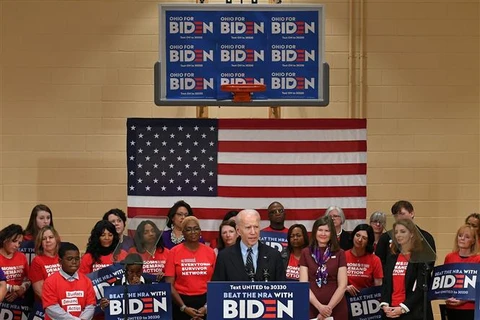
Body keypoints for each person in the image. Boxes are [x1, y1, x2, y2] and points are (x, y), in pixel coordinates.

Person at [380, 219, 434, 320]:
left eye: (403, 231)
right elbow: (386, 283)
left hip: (410, 312)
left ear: (412, 234)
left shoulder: (419, 258)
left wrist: (403, 308)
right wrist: (385, 304)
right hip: (390, 310)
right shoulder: (392, 257)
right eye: (396, 232)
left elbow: (421, 288)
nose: (398, 235)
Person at [164, 216, 216, 320]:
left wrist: (206, 307)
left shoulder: (210, 252)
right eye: (188, 229)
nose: (193, 232)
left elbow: (216, 282)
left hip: (206, 301)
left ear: (200, 231)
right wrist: (183, 307)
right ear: (183, 232)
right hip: (181, 303)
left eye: (196, 228)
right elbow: (169, 284)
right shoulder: (173, 252)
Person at [212, 209, 286, 282]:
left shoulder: (274, 255)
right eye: (248, 227)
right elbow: (218, 290)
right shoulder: (224, 256)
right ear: (238, 231)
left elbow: (283, 289)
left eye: (256, 227)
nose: (253, 232)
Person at [299, 216, 348, 320]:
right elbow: (303, 284)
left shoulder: (340, 253)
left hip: (336, 308)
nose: (323, 234)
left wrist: (327, 309)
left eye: (327, 231)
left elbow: (343, 285)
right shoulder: (305, 252)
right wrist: (320, 307)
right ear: (315, 232)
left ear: (332, 234)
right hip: (311, 307)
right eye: (320, 230)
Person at [42, 242, 96, 320]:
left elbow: (90, 306)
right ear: (60, 261)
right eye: (69, 259)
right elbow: (51, 308)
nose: (74, 262)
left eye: (77, 258)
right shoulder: (50, 282)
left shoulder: (86, 281)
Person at [375, 200, 436, 266]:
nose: (399, 218)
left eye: (402, 214)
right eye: (396, 215)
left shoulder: (425, 237)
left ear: (412, 214)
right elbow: (380, 262)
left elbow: (429, 263)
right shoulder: (386, 237)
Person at [443, 224, 480, 319]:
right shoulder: (449, 257)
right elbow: (445, 281)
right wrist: (445, 295)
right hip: (451, 306)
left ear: (473, 241)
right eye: (460, 235)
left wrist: (464, 300)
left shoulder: (478, 259)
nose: (462, 238)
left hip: (470, 308)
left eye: (467, 237)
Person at [345, 224, 383, 296]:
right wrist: (344, 288)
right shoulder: (343, 256)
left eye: (364, 238)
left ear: (368, 241)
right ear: (353, 236)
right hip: (345, 298)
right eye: (357, 235)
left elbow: (378, 287)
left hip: (367, 300)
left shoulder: (375, 260)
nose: (359, 240)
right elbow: (334, 282)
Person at [0, 224, 30, 303]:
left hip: (19, 303)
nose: (17, 245)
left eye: (19, 243)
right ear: (5, 239)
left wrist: (22, 289)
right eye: (14, 241)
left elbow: (29, 279)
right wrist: (11, 288)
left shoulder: (21, 256)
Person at [29, 226, 61, 300]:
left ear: (56, 239)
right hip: (45, 305)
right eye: (44, 239)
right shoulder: (37, 261)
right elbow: (39, 290)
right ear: (40, 243)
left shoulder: (62, 257)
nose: (48, 240)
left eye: (51, 237)